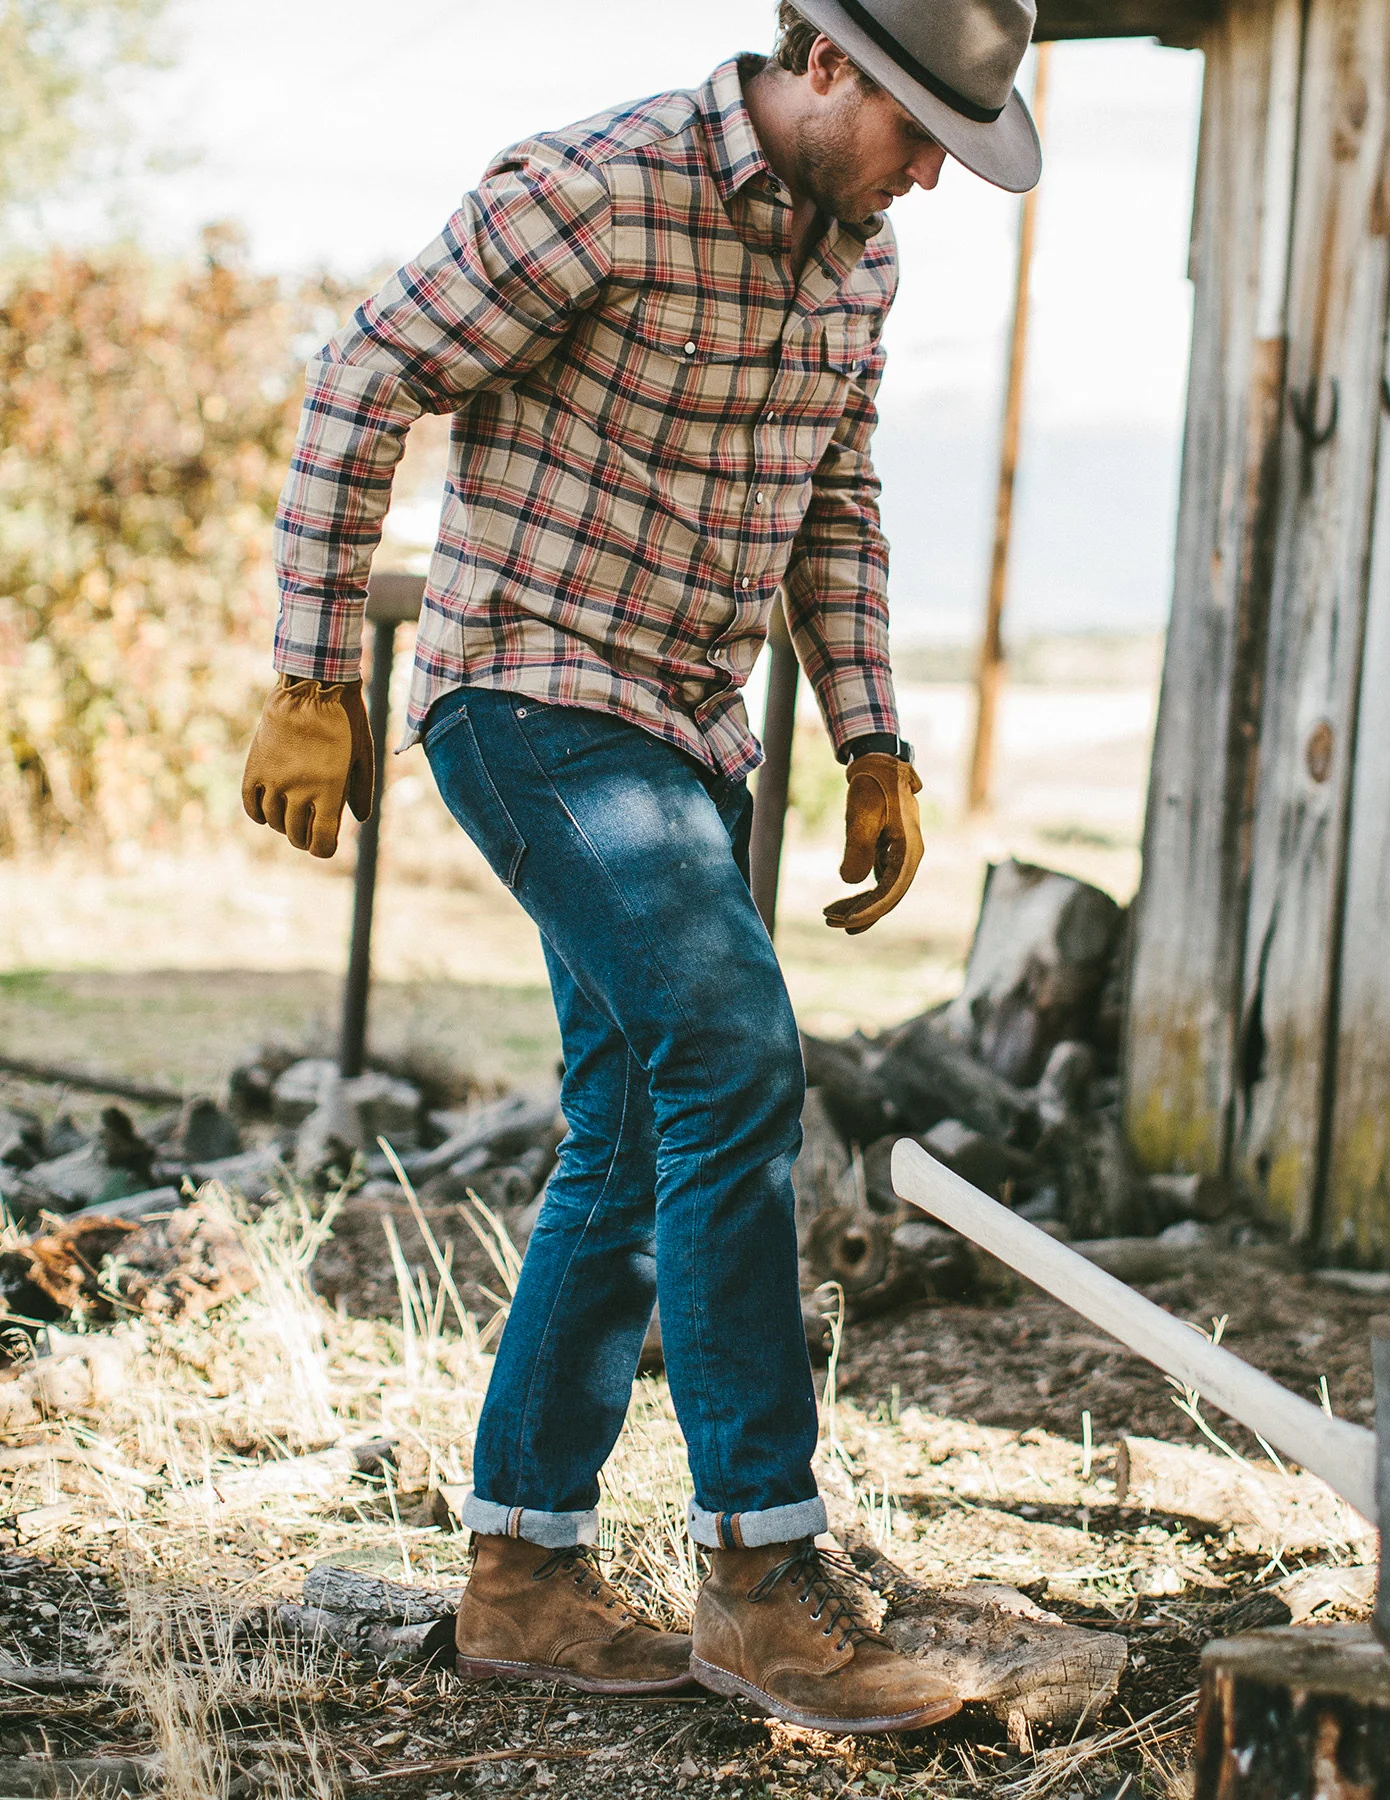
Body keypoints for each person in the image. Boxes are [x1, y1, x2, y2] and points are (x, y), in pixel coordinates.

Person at [240, 0, 1041, 1735]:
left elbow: (836, 503)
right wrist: (315, 676)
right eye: (920, 130)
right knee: (736, 1055)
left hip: (681, 735)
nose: (932, 176)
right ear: (824, 59)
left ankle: (523, 1574)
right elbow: (364, 373)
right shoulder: (597, 190)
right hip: (525, 690)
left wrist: (877, 738)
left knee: (629, 1120)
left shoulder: (861, 266)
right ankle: (762, 1573)